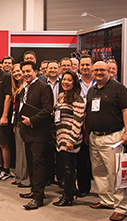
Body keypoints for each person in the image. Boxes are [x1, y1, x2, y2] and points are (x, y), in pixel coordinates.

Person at [86, 61, 127, 221]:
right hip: (95, 137)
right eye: (96, 70)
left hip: (113, 137)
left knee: (114, 174)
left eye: (102, 70)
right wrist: (87, 135)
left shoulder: (118, 88)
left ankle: (121, 207)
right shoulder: (92, 90)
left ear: (110, 71)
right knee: (99, 171)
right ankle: (107, 200)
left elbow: (126, 110)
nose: (99, 72)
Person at [16, 61, 53, 210]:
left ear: (35, 71)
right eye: (23, 71)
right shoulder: (25, 88)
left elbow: (47, 109)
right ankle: (34, 191)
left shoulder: (44, 87)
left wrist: (32, 120)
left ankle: (39, 197)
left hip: (39, 132)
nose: (26, 74)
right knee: (31, 163)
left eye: (28, 71)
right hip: (27, 132)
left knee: (38, 164)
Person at [52, 70, 84, 206]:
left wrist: (71, 139)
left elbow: (78, 121)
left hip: (70, 139)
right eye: (64, 79)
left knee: (69, 168)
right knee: (64, 167)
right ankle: (70, 191)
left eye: (69, 80)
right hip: (60, 137)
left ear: (75, 82)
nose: (66, 82)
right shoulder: (61, 96)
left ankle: (68, 196)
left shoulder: (77, 98)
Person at [76, 54, 96, 197]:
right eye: (82, 65)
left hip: (97, 124)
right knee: (82, 158)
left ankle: (105, 191)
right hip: (80, 124)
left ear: (92, 66)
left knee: (99, 160)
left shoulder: (101, 82)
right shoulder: (76, 83)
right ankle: (83, 187)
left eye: (87, 65)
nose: (84, 67)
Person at [11, 63, 30, 188]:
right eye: (15, 72)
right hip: (17, 122)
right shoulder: (17, 88)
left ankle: (25, 179)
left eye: (20, 71)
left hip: (25, 123)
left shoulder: (27, 87)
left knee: (24, 152)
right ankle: (19, 176)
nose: (17, 73)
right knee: (19, 151)